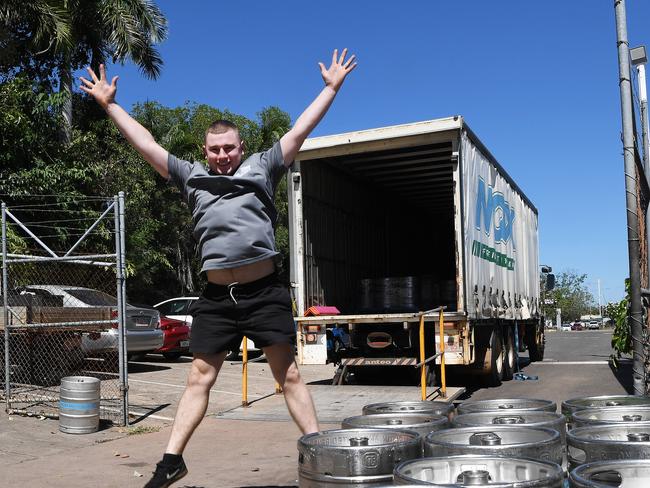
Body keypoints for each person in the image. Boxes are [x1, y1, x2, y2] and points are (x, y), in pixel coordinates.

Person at [80, 48, 357, 488]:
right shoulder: (191, 178)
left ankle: (317, 449)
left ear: (242, 148)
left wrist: (331, 88)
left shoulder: (263, 168)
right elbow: (147, 143)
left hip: (264, 292)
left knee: (287, 375)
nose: (223, 155)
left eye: (229, 148)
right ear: (204, 152)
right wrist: (111, 105)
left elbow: (301, 128)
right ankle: (171, 461)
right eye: (215, 150)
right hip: (215, 298)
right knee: (198, 377)